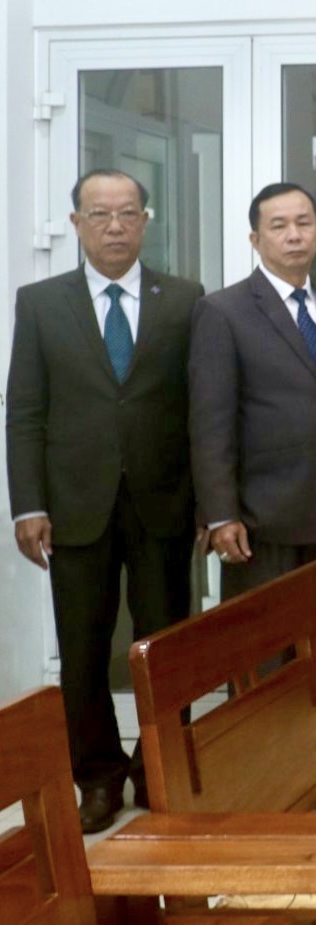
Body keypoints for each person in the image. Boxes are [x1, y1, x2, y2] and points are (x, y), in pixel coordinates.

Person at [6, 171, 202, 832]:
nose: (114, 225)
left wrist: (209, 500)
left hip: (164, 500)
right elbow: (25, 411)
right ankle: (96, 774)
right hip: (75, 504)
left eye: (127, 213)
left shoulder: (183, 298)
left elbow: (199, 408)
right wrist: (27, 503)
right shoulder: (39, 303)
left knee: (163, 643)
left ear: (146, 220)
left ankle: (157, 765)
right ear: (76, 223)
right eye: (100, 213)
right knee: (84, 648)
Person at [190, 183, 316, 596]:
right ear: (256, 240)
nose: (295, 235)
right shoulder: (223, 312)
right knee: (272, 653)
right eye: (279, 226)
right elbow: (210, 423)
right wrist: (221, 515)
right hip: (266, 522)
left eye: (304, 223)